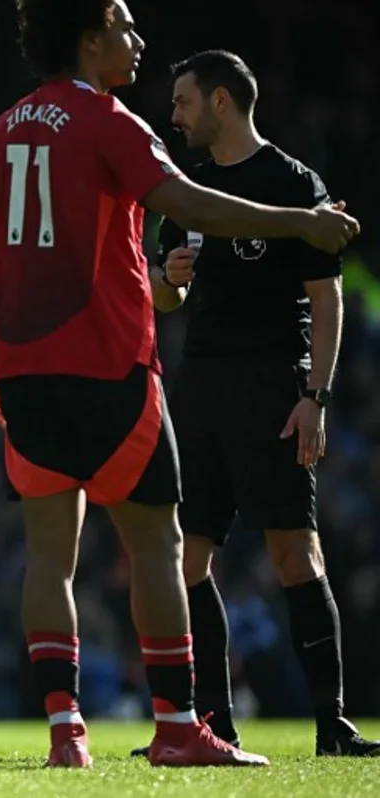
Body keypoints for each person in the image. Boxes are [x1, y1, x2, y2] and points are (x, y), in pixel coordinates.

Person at [0, 0, 359, 769]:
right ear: (88, 36)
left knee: (51, 557)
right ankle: (179, 725)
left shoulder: (1, 130)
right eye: (124, 24)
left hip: (26, 373)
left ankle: (64, 731)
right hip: (109, 369)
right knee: (158, 544)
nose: (137, 40)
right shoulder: (110, 120)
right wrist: (300, 222)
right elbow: (185, 202)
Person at [130, 50, 380, 758]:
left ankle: (331, 725)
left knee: (295, 554)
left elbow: (324, 300)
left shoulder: (294, 183)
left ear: (219, 102)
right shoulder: (190, 189)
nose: (173, 117)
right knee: (187, 561)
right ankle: (213, 722)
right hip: (202, 384)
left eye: (181, 102)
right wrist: (167, 278)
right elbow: (164, 295)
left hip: (274, 382)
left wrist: (316, 396)